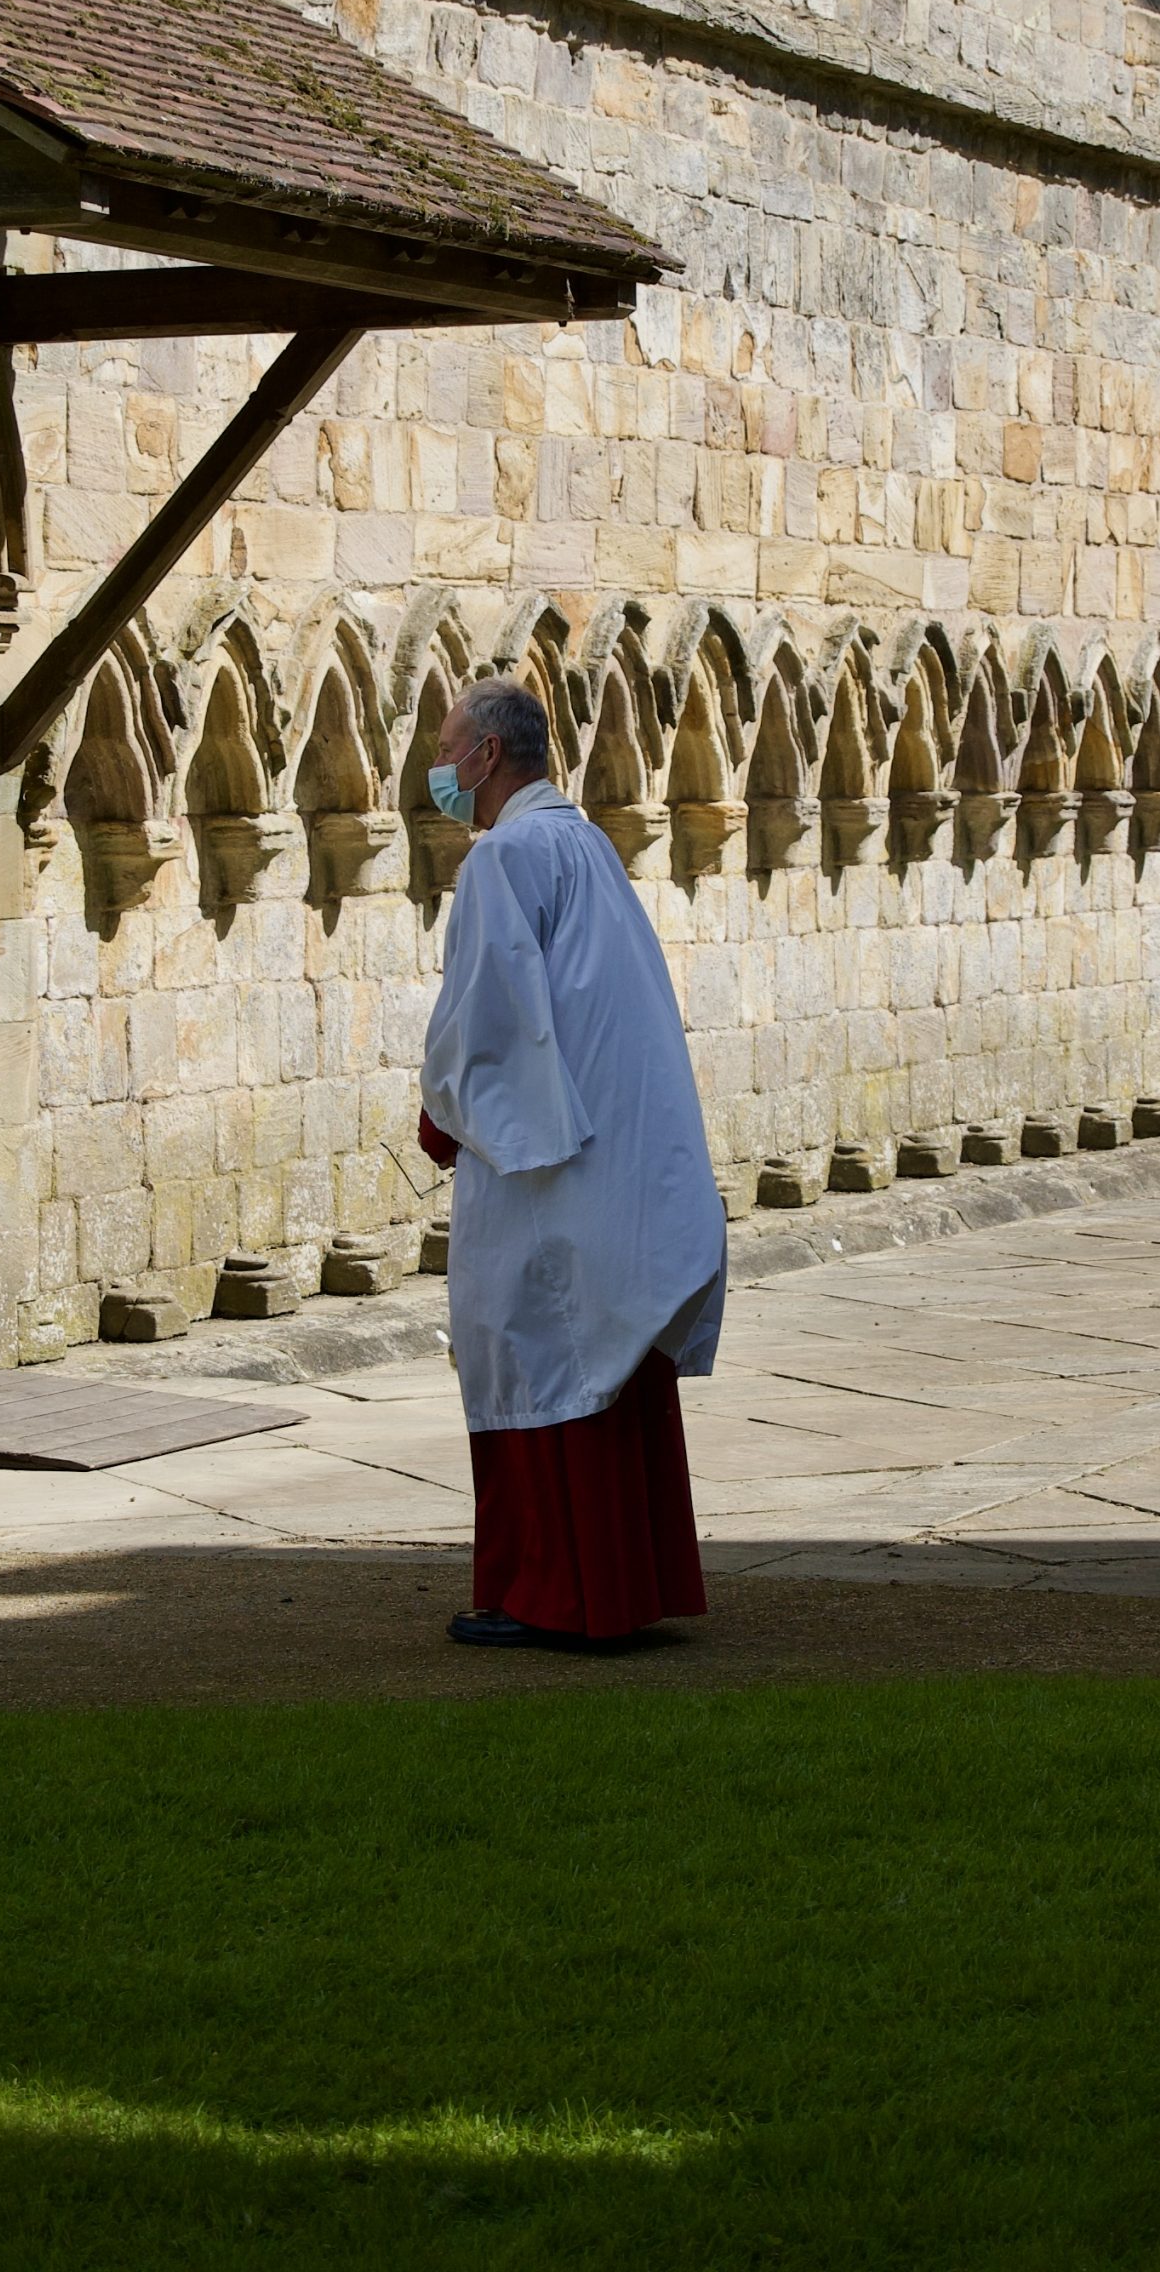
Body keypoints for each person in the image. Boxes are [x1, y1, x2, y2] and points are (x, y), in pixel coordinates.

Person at [416, 676, 726, 1650]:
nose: (438, 769)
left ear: (486, 756)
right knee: (597, 1354)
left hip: (545, 1160)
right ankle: (620, 1584)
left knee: (533, 1345)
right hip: (608, 1147)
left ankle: (549, 1591)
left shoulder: (505, 855)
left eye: (447, 748)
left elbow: (492, 1018)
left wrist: (443, 1111)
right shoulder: (584, 842)